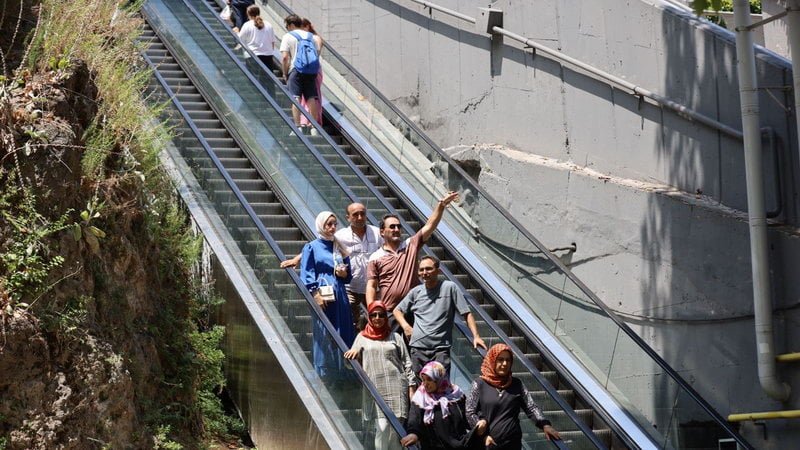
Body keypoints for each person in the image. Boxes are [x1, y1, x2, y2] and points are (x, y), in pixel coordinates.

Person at [282, 203, 383, 330]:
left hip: (372, 287)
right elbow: (318, 248)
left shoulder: (376, 233)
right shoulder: (341, 235)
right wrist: (297, 259)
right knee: (349, 322)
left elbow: (389, 246)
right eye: (355, 214)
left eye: (362, 214)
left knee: (377, 319)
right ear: (348, 217)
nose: (359, 217)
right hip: (350, 288)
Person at [366, 191, 460, 313]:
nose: (396, 229)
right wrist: (372, 309)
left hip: (414, 310)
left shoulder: (410, 245)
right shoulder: (375, 257)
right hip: (389, 312)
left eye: (399, 227)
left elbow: (430, 226)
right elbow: (371, 286)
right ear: (382, 232)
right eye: (392, 227)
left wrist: (441, 205)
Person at [394, 255, 486, 378]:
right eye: (421, 270)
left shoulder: (449, 287)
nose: (424, 273)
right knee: (421, 390)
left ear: (438, 270)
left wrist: (476, 336)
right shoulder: (416, 292)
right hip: (418, 348)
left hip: (440, 349)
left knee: (441, 387)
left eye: (428, 269)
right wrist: (406, 326)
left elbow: (466, 313)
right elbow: (397, 310)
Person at [344, 302, 415, 450]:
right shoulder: (361, 337)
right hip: (375, 390)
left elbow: (407, 363)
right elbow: (348, 364)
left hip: (397, 389)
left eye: (381, 315)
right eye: (373, 315)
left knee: (396, 433)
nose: (377, 318)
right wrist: (354, 356)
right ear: (369, 317)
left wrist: (411, 387)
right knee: (382, 429)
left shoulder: (395, 337)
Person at [466, 344, 561, 450]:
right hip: (486, 444)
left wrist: (545, 425)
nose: (504, 364)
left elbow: (531, 407)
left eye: (508, 360)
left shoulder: (516, 384)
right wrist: (483, 436)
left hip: (512, 444)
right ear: (492, 360)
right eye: (500, 360)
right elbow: (470, 412)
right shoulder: (479, 384)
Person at [300, 211, 355, 377]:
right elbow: (307, 272)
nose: (332, 228)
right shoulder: (312, 247)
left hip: (339, 294)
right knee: (324, 331)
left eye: (334, 224)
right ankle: (325, 370)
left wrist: (344, 274)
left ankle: (344, 370)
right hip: (323, 295)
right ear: (321, 226)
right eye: (328, 224)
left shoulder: (339, 247)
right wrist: (315, 294)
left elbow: (348, 276)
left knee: (344, 328)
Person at [401, 361, 480, 450]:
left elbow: (467, 418)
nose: (425, 384)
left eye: (429, 379)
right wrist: (413, 434)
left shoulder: (456, 394)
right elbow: (414, 419)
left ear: (439, 379)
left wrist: (479, 423)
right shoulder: (420, 397)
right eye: (423, 379)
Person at [280, 14, 323, 134]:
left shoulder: (288, 36)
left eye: (287, 26)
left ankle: (297, 126)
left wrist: (285, 73)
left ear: (291, 25)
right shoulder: (311, 37)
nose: (287, 29)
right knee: (311, 97)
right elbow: (317, 52)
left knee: (296, 97)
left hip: (296, 70)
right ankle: (314, 128)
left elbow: (284, 57)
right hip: (310, 71)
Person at [299, 18, 324, 127]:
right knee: (308, 95)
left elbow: (317, 52)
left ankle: (311, 120)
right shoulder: (314, 38)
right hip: (311, 68)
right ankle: (307, 120)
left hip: (312, 68)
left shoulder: (315, 38)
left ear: (307, 26)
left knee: (313, 95)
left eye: (302, 27)